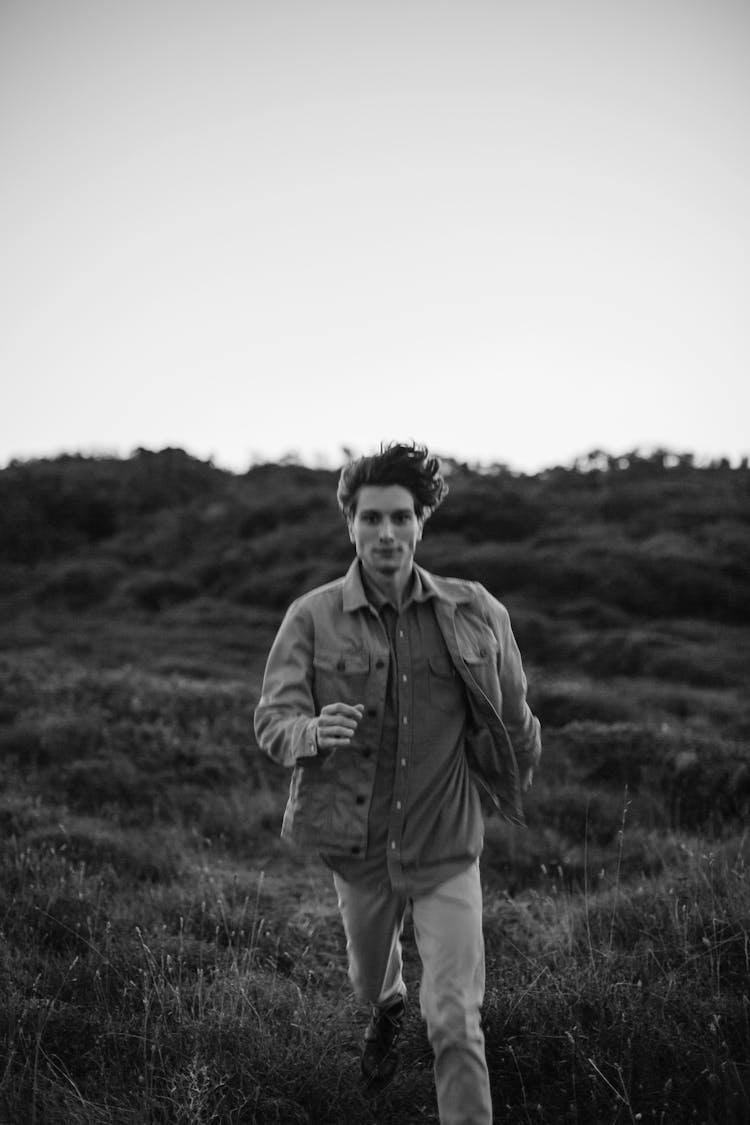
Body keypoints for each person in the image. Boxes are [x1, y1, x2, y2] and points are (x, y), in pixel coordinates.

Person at [254, 442, 541, 1125]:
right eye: (372, 518)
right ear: (350, 523)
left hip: (447, 845)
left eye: (402, 517)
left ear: (422, 523)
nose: (387, 533)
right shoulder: (311, 616)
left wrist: (514, 778)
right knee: (367, 977)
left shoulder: (476, 611)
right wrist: (307, 732)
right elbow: (272, 717)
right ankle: (385, 1007)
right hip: (357, 845)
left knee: (454, 1019)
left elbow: (514, 714)